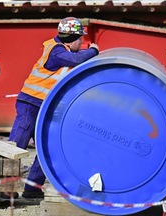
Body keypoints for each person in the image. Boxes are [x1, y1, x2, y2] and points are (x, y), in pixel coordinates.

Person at [8, 17, 99, 198]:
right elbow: (77, 59)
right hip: (30, 104)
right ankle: (4, 191)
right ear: (72, 38)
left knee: (47, 147)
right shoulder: (57, 51)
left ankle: (32, 188)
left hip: (44, 107)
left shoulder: (62, 50)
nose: (82, 43)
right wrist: (94, 51)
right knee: (16, 146)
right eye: (80, 39)